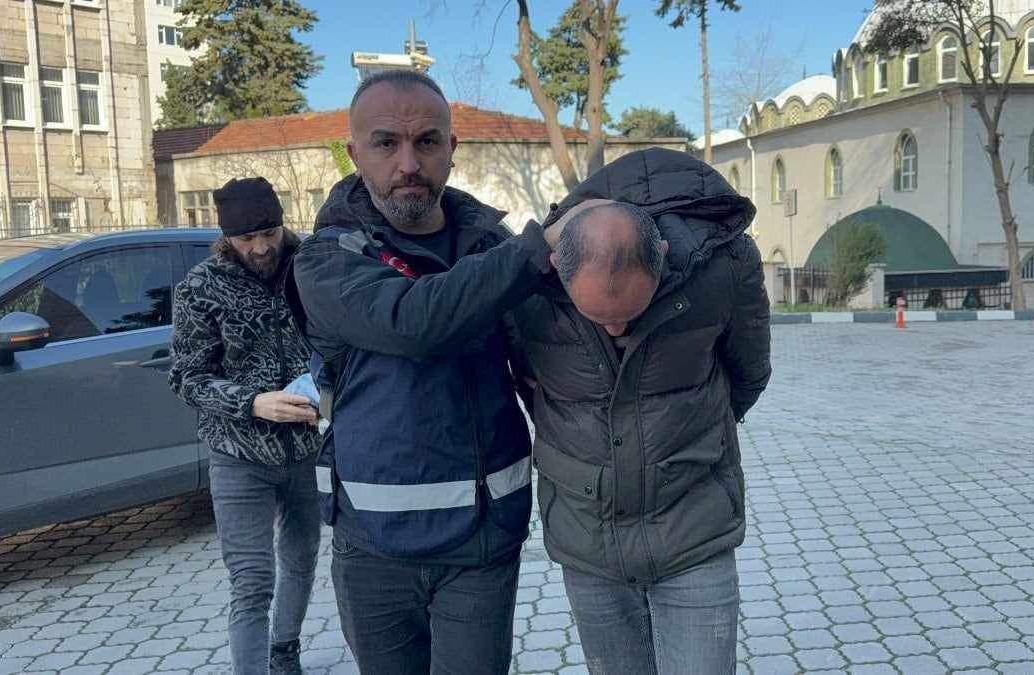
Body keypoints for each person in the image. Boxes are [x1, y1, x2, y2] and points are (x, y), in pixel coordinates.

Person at [287, 70, 554, 674]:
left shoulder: (493, 246)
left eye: (427, 141)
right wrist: (535, 251)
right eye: (386, 143)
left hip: (484, 539)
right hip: (374, 548)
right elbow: (413, 322)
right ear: (355, 154)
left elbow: (543, 365)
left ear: (451, 149)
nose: (408, 163)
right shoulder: (326, 258)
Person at [513, 148, 773, 674]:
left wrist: (685, 435)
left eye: (630, 313)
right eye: (598, 318)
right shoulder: (526, 281)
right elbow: (526, 379)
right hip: (587, 541)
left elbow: (748, 373)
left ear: (665, 256)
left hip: (693, 530)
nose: (616, 329)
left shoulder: (724, 265)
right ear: (558, 269)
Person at [169, 177, 321, 675]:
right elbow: (186, 378)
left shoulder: (312, 266)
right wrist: (252, 403)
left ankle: (285, 649)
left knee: (302, 559)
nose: (260, 248)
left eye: (269, 233)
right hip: (238, 456)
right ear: (226, 236)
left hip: (308, 448)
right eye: (246, 238)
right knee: (252, 582)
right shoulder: (200, 287)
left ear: (283, 223)